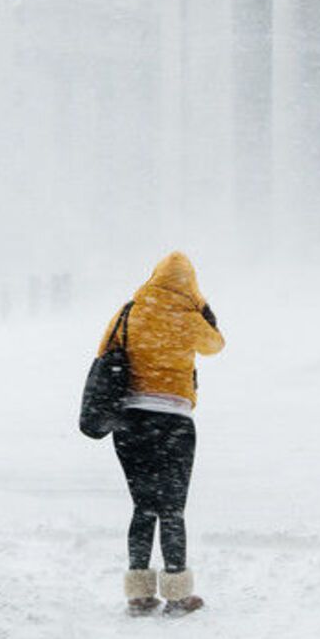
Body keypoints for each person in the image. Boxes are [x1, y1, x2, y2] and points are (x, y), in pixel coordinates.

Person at [97, 251, 224, 617]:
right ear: (191, 286)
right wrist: (204, 310)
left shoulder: (130, 311)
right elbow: (215, 345)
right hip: (174, 424)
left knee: (143, 507)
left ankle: (138, 595)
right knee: (172, 510)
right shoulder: (188, 318)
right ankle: (178, 595)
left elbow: (104, 351)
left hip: (131, 423)